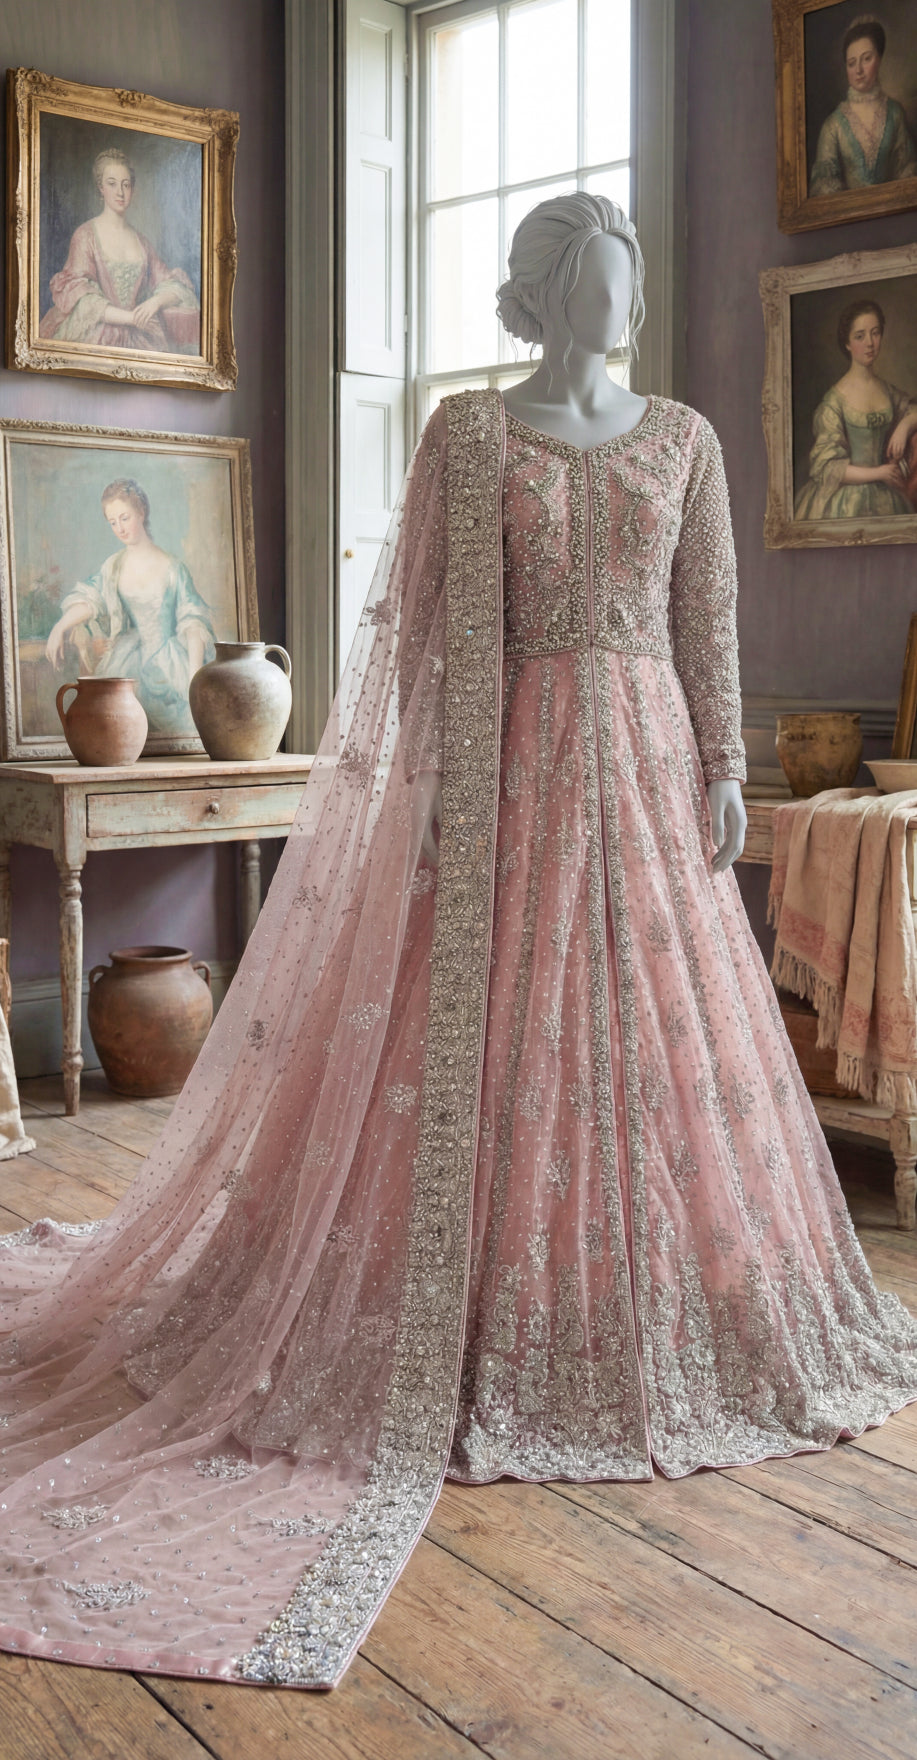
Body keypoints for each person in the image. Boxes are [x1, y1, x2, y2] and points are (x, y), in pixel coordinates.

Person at [0, 194, 915, 1692]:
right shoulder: (470, 437)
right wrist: (423, 790)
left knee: (652, 1033)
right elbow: (422, 636)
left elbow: (705, 621)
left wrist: (723, 768)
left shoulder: (684, 439)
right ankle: (479, 1303)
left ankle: (637, 1303)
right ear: (545, 292)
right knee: (491, 1029)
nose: (614, 298)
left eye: (626, 275)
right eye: (592, 276)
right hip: (507, 773)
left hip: (644, 764)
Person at [44, 478, 215, 735]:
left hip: (169, 666)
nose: (120, 528)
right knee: (111, 721)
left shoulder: (173, 568)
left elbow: (193, 621)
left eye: (124, 518)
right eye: (113, 522)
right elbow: (92, 599)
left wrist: (193, 676)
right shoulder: (114, 566)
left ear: (141, 512)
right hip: (127, 660)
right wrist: (60, 627)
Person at [39, 146, 200, 354]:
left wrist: (155, 302)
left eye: (126, 185)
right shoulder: (85, 235)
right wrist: (131, 318)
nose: (120, 193)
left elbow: (173, 285)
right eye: (112, 184)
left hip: (139, 336)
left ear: (133, 189)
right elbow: (83, 300)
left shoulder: (142, 242)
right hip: (98, 335)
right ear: (101, 188)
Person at [795, 298, 917, 521]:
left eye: (875, 333)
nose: (870, 343)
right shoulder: (834, 402)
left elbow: (913, 410)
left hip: (887, 495)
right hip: (845, 501)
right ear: (847, 343)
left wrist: (904, 426)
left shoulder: (888, 391)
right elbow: (827, 468)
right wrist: (879, 473)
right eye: (860, 336)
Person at [810, 15, 917, 196]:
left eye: (866, 59)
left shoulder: (895, 113)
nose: (858, 70)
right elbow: (823, 185)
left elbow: (908, 170)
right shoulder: (833, 124)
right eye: (852, 63)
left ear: (879, 59)